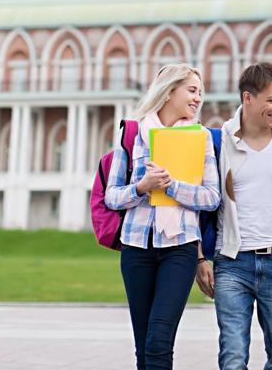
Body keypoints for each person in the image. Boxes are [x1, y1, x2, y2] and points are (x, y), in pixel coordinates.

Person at [195, 61, 272, 370]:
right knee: (233, 357)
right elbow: (199, 205)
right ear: (248, 98)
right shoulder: (219, 143)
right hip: (233, 264)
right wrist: (199, 258)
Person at [105, 64, 220, 370]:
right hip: (136, 249)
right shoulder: (132, 134)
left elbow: (211, 197)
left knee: (159, 341)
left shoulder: (201, 138)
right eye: (192, 90)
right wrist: (142, 188)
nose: (198, 99)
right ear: (169, 91)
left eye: (201, 93)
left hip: (179, 249)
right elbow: (112, 195)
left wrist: (172, 187)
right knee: (143, 346)